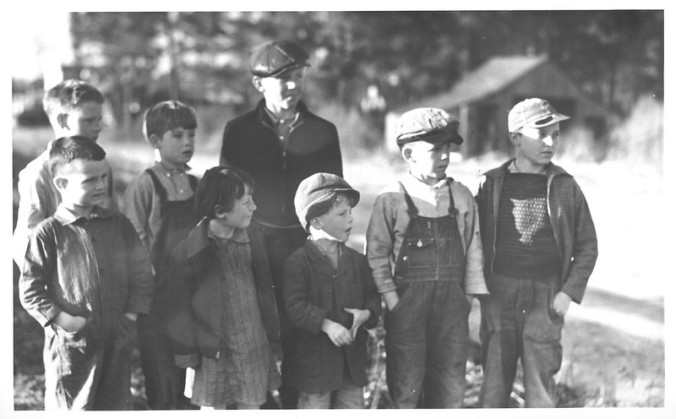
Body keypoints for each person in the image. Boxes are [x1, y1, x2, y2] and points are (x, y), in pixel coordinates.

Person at [219, 39, 343, 408]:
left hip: (303, 249)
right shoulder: (238, 131)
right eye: (283, 79)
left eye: (298, 77)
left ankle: (290, 406)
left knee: (300, 335)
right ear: (260, 84)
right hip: (253, 246)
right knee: (251, 332)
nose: (293, 86)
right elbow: (225, 194)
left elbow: (333, 195)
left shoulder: (324, 130)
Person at [476, 98, 598, 408]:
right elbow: (472, 241)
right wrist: (479, 291)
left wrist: (567, 293)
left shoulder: (566, 187)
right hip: (498, 293)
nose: (550, 142)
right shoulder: (489, 184)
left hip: (546, 296)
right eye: (541, 133)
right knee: (493, 387)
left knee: (541, 387)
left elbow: (587, 246)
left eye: (556, 134)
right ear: (516, 137)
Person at [18, 136, 154, 410]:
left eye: (104, 177)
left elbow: (141, 273)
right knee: (73, 406)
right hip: (73, 348)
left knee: (115, 404)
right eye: (90, 180)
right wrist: (63, 319)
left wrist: (130, 316)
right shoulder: (48, 233)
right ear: (61, 184)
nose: (101, 186)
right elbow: (30, 289)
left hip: (117, 341)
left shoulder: (118, 224)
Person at [365, 107, 488, 408]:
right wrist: (392, 300)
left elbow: (474, 246)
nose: (445, 156)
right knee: (407, 385)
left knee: (450, 385)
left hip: (451, 308)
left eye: (448, 148)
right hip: (407, 306)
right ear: (409, 154)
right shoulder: (392, 198)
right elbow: (376, 254)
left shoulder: (461, 196)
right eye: (436, 150)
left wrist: (467, 297)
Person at [166, 166, 281, 410]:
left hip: (251, 345)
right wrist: (188, 353)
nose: (254, 208)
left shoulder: (255, 239)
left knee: (251, 406)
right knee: (213, 408)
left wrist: (273, 335)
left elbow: (266, 289)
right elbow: (178, 310)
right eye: (247, 202)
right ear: (220, 212)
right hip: (212, 352)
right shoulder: (188, 252)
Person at [122, 100, 200, 410]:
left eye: (192, 135)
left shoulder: (196, 183)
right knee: (163, 376)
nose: (187, 143)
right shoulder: (145, 185)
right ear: (155, 140)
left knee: (192, 376)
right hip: (157, 300)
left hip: (193, 295)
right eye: (178, 136)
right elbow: (134, 241)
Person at [283, 173, 381, 409]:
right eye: (341, 214)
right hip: (314, 370)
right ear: (316, 222)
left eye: (350, 212)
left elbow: (372, 297)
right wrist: (327, 325)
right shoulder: (298, 263)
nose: (351, 220)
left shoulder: (357, 261)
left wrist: (366, 313)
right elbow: (294, 307)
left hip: (352, 366)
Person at [13, 79, 115, 267]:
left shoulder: (102, 165)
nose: (98, 127)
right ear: (62, 120)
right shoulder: (37, 174)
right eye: (89, 120)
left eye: (99, 120)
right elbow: (26, 243)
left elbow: (113, 220)